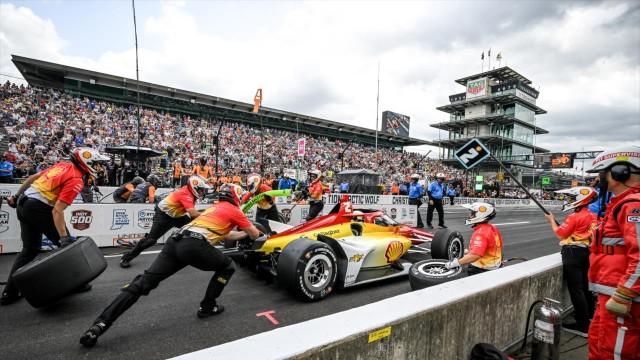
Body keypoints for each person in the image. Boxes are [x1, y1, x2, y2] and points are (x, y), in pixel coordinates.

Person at [80, 184, 261, 348]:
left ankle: (99, 325)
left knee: (142, 283)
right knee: (227, 267)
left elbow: (228, 236)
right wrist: (254, 232)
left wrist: (242, 234)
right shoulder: (235, 211)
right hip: (194, 246)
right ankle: (207, 307)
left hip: (175, 242)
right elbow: (254, 235)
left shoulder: (212, 208)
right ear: (237, 197)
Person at [1, 147, 109, 305]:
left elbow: (33, 177)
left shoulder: (62, 165)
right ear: (86, 163)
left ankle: (9, 294)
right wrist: (64, 238)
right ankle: (75, 284)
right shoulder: (76, 179)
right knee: (69, 248)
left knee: (30, 250)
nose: (99, 167)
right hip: (39, 208)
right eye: (97, 164)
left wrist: (16, 197)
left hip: (24, 203)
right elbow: (57, 211)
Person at [583, 146, 640, 359]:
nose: (599, 180)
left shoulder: (633, 205)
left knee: (614, 352)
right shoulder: (621, 204)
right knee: (599, 347)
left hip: (623, 300)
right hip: (611, 296)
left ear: (620, 173)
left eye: (602, 173)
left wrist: (624, 295)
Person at [119, 175, 211, 268]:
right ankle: (126, 258)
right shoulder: (186, 194)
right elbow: (193, 214)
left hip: (177, 216)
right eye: (201, 189)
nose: (202, 192)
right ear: (194, 187)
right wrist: (210, 214)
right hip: (163, 216)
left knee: (196, 228)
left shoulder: (189, 190)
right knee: (150, 241)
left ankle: (195, 252)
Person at [543, 186, 597, 337]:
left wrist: (551, 220)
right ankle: (590, 316)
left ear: (580, 199)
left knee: (576, 289)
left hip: (573, 253)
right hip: (587, 252)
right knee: (586, 287)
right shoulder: (593, 215)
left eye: (572, 198)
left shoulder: (574, 216)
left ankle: (582, 325)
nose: (569, 201)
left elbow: (560, 234)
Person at [445, 202, 503, 276]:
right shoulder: (493, 228)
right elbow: (496, 246)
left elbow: (475, 256)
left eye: (473, 213)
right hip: (494, 265)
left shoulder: (480, 233)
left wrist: (454, 263)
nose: (470, 216)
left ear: (480, 214)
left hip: (482, 269)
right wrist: (471, 251)